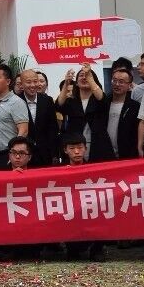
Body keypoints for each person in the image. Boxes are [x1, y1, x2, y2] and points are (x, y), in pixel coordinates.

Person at [60, 133, 104, 261]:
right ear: (65, 150)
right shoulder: (57, 171)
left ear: (85, 148)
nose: (76, 151)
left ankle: (97, 249)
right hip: (70, 212)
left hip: (91, 209)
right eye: (72, 148)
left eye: (80, 147)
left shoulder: (95, 169)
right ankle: (71, 249)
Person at [54, 63, 105, 161]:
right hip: (75, 144)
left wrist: (90, 77)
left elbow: (101, 99)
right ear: (76, 83)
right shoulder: (71, 100)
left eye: (87, 76)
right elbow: (59, 105)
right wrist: (66, 83)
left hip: (97, 143)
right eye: (81, 75)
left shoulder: (98, 97)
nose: (84, 77)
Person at [18, 69, 59, 167]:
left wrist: (54, 154)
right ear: (21, 85)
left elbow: (53, 128)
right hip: (24, 154)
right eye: (28, 82)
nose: (33, 85)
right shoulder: (16, 101)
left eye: (35, 81)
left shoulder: (47, 100)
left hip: (45, 153)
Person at [101, 66, 141, 160]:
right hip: (104, 154)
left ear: (129, 85)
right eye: (114, 80)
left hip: (127, 155)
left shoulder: (135, 107)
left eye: (121, 82)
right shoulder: (103, 103)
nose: (117, 84)